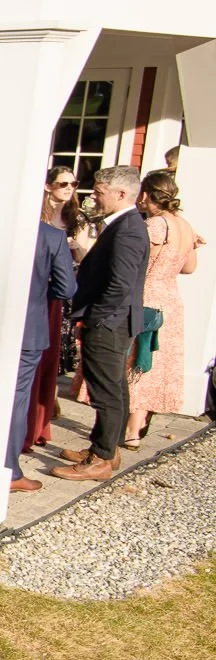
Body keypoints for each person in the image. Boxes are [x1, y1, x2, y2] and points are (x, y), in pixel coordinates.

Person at [56, 166, 150, 481]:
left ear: (121, 194)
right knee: (115, 387)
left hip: (109, 322)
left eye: (99, 192)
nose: (93, 197)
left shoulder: (128, 229)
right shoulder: (125, 224)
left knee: (106, 391)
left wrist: (94, 317)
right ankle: (105, 446)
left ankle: (101, 458)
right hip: (116, 320)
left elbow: (120, 284)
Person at [123, 170, 201, 446]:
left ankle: (132, 429)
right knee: (156, 361)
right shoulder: (184, 225)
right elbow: (190, 267)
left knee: (139, 358)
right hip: (171, 299)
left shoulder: (155, 225)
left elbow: (142, 266)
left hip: (148, 297)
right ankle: (141, 421)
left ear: (145, 194)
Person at [9, 223, 78, 492]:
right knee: (16, 399)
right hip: (28, 327)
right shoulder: (51, 235)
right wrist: (37, 293)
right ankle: (10, 472)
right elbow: (65, 288)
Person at [27, 166, 93, 450]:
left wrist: (77, 247)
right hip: (42, 291)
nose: (69, 188)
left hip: (62, 296)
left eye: (73, 184)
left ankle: (44, 411)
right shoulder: (36, 217)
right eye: (63, 183)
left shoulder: (76, 218)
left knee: (52, 358)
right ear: (48, 186)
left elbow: (86, 257)